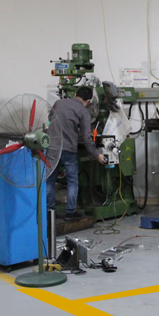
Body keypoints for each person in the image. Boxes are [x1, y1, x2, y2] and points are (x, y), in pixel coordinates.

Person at [46, 86, 106, 220]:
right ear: (88, 101)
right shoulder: (84, 112)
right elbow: (86, 138)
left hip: (52, 147)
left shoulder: (59, 103)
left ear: (75, 94)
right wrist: (97, 155)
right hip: (68, 149)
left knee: (49, 180)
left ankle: (50, 212)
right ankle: (70, 212)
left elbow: (50, 118)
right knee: (72, 181)